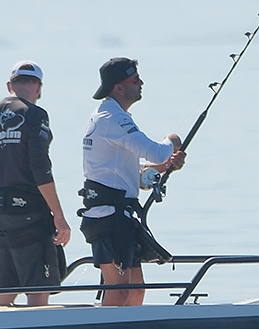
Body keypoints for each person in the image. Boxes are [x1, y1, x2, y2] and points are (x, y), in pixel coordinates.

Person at [0, 63, 71, 307]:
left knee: (4, 292)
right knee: (38, 293)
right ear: (39, 88)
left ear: (9, 85)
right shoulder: (35, 115)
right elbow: (40, 168)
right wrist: (59, 216)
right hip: (30, 213)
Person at [78, 57, 186, 306]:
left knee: (136, 290)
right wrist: (172, 140)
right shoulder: (112, 119)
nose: (141, 83)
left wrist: (166, 165)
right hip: (107, 217)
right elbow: (157, 151)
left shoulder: (111, 117)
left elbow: (128, 170)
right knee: (120, 291)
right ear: (119, 87)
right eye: (135, 80)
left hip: (120, 216)